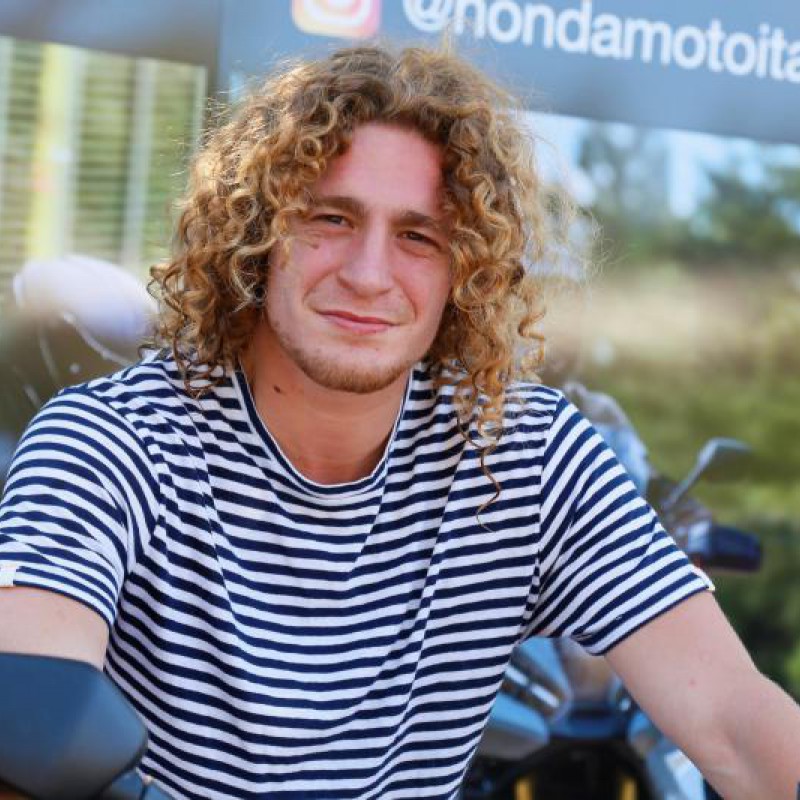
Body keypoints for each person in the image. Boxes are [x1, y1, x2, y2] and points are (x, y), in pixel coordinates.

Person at [0, 43, 798, 800]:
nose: (368, 274)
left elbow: (735, 720)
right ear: (255, 235)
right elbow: (28, 726)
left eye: (418, 236)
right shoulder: (112, 443)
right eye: (330, 219)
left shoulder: (526, 453)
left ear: (467, 271)